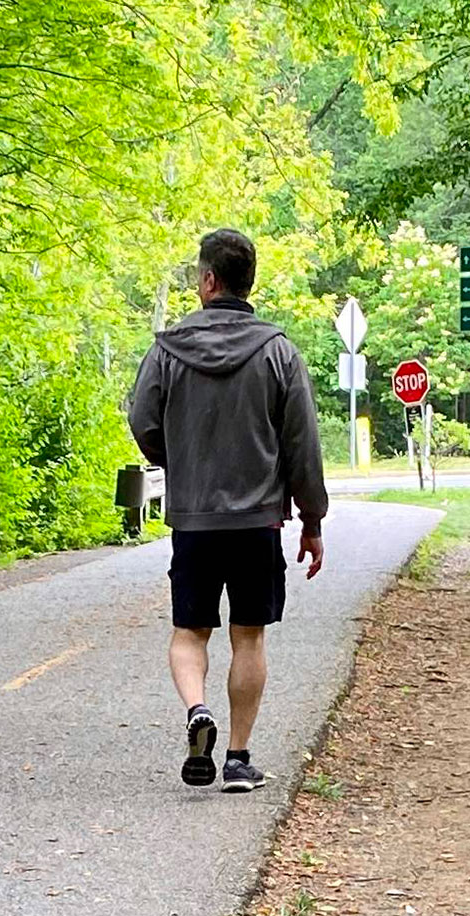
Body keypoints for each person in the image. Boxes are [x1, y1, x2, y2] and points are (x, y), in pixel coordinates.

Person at [126, 228, 326, 793]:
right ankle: (238, 758)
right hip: (258, 519)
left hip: (194, 520)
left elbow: (143, 421)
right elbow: (302, 443)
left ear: (208, 280)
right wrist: (312, 521)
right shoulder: (279, 351)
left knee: (190, 631)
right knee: (249, 636)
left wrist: (181, 461)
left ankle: (196, 710)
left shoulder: (167, 351)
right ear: (247, 281)